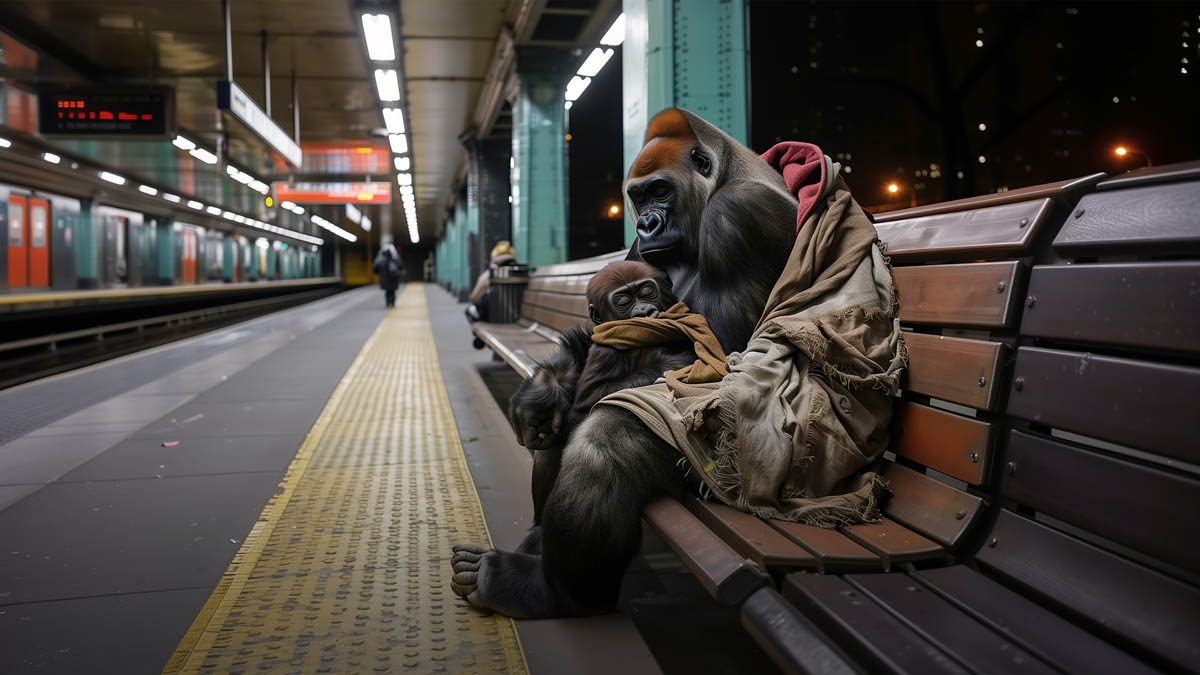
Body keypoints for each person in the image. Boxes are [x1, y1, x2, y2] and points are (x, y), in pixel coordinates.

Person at [465, 241, 518, 348]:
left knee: (469, 310)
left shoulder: (489, 274)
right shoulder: (519, 271)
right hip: (516, 317)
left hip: (492, 318)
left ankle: (479, 337)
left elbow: (474, 298)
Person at [372, 242, 405, 308]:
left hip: (384, 279)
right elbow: (401, 266)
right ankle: (392, 302)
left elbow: (375, 268)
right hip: (393, 278)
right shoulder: (395, 258)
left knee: (387, 291)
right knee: (392, 291)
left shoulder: (380, 259)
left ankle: (388, 302)